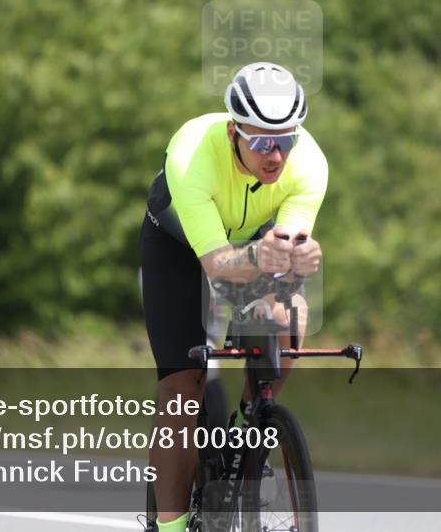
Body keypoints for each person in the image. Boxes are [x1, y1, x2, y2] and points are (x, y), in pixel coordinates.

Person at [139, 62, 328, 531]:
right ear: (233, 133)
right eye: (262, 142)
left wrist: (295, 260)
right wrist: (263, 257)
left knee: (288, 318)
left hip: (253, 239)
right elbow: (218, 267)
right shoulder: (192, 157)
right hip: (181, 247)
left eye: (285, 141)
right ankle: (171, 527)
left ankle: (250, 431)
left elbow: (285, 254)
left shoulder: (310, 164)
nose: (275, 155)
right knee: (183, 390)